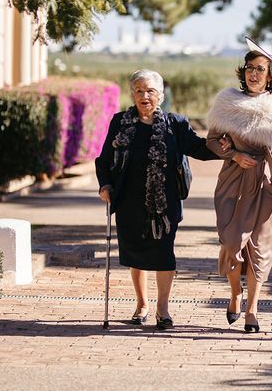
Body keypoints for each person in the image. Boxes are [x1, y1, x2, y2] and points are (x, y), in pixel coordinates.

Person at [95, 69, 225, 330]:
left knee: (164, 254)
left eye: (150, 91)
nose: (145, 96)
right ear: (132, 94)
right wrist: (105, 185)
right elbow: (104, 160)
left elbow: (199, 148)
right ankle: (141, 304)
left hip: (164, 204)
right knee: (135, 254)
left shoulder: (175, 124)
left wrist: (226, 148)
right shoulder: (120, 122)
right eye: (139, 91)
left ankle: (162, 309)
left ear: (161, 96)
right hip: (129, 200)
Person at [205, 39, 272, 333]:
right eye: (250, 68)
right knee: (231, 242)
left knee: (260, 248)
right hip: (234, 181)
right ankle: (236, 292)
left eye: (261, 69)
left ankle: (252, 308)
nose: (254, 74)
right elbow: (211, 141)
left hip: (267, 183)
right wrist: (234, 153)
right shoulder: (227, 102)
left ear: (271, 75)